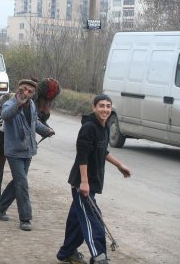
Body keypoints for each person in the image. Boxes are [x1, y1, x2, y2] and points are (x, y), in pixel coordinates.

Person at [56, 94, 131, 264]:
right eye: (101, 106)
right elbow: (82, 155)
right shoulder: (89, 127)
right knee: (93, 218)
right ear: (94, 108)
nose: (105, 109)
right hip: (83, 183)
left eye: (108, 106)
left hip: (92, 182)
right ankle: (99, 256)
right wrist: (84, 182)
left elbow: (101, 151)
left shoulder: (103, 126)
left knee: (77, 219)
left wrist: (119, 165)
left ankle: (66, 252)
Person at [0, 79, 55, 231]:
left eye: (29, 91)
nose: (25, 93)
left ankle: (0, 206)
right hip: (14, 151)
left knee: (19, 182)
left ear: (33, 94)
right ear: (17, 89)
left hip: (28, 150)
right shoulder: (9, 104)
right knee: (22, 184)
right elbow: (6, 116)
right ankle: (25, 218)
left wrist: (47, 130)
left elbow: (35, 122)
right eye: (23, 89)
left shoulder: (32, 105)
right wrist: (18, 104)